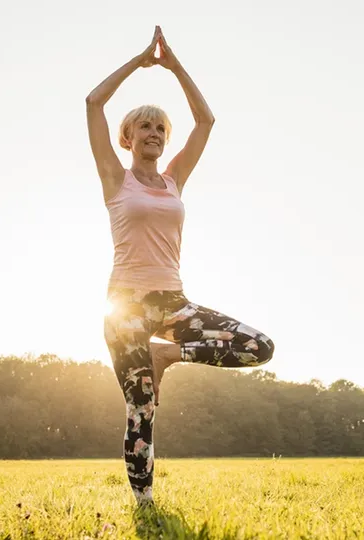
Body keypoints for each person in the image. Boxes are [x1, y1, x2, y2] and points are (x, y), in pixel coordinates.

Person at [84, 26, 275, 506]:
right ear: (128, 138)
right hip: (125, 308)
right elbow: (92, 103)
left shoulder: (174, 182)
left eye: (160, 130)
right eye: (145, 127)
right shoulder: (116, 179)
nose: (154, 134)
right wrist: (138, 60)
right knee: (141, 407)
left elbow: (207, 121)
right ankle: (145, 504)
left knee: (259, 347)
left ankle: (168, 354)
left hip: (174, 303)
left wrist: (174, 66)